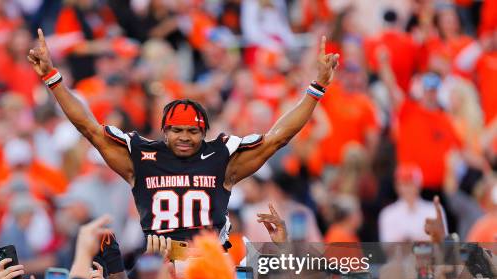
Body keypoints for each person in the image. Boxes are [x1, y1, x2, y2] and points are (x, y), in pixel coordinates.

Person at [27, 30, 339, 243]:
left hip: (209, 267)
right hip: (158, 268)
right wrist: (52, 78)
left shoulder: (222, 160)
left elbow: (277, 138)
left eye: (192, 131)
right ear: (164, 131)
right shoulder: (142, 158)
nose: (185, 137)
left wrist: (317, 88)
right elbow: (89, 128)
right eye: (177, 130)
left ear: (204, 132)